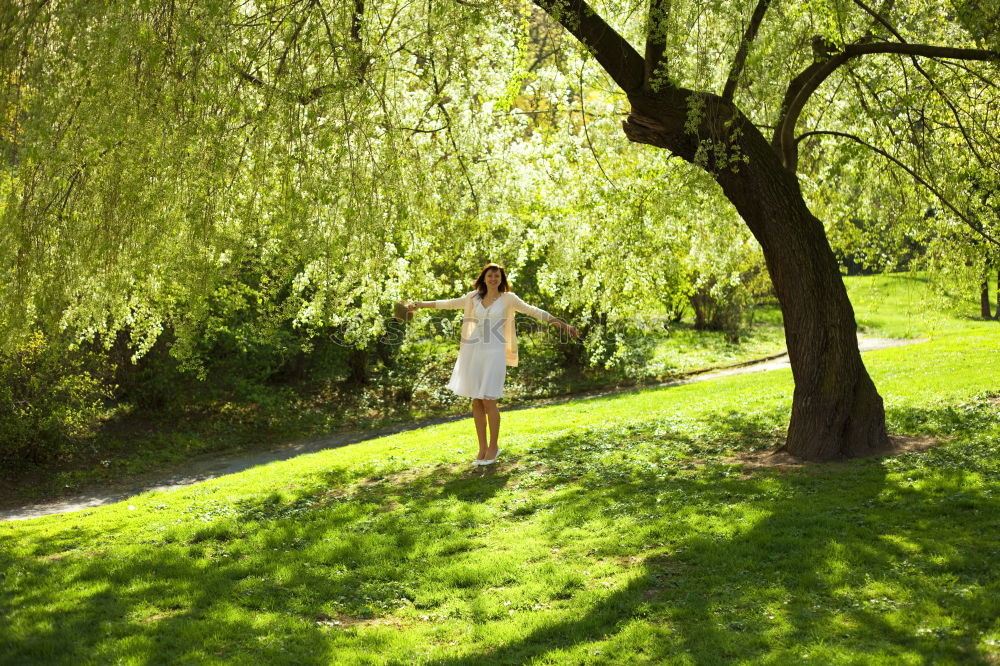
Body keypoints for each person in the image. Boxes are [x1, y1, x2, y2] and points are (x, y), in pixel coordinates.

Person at [406, 263, 579, 466]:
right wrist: (419, 304)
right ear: (484, 277)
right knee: (476, 401)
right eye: (490, 275)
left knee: (489, 399)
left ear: (502, 279)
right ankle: (482, 449)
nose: (493, 279)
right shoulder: (473, 298)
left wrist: (563, 325)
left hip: (495, 351)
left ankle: (493, 447)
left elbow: (534, 311)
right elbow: (448, 303)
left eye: (497, 276)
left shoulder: (508, 299)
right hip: (473, 351)